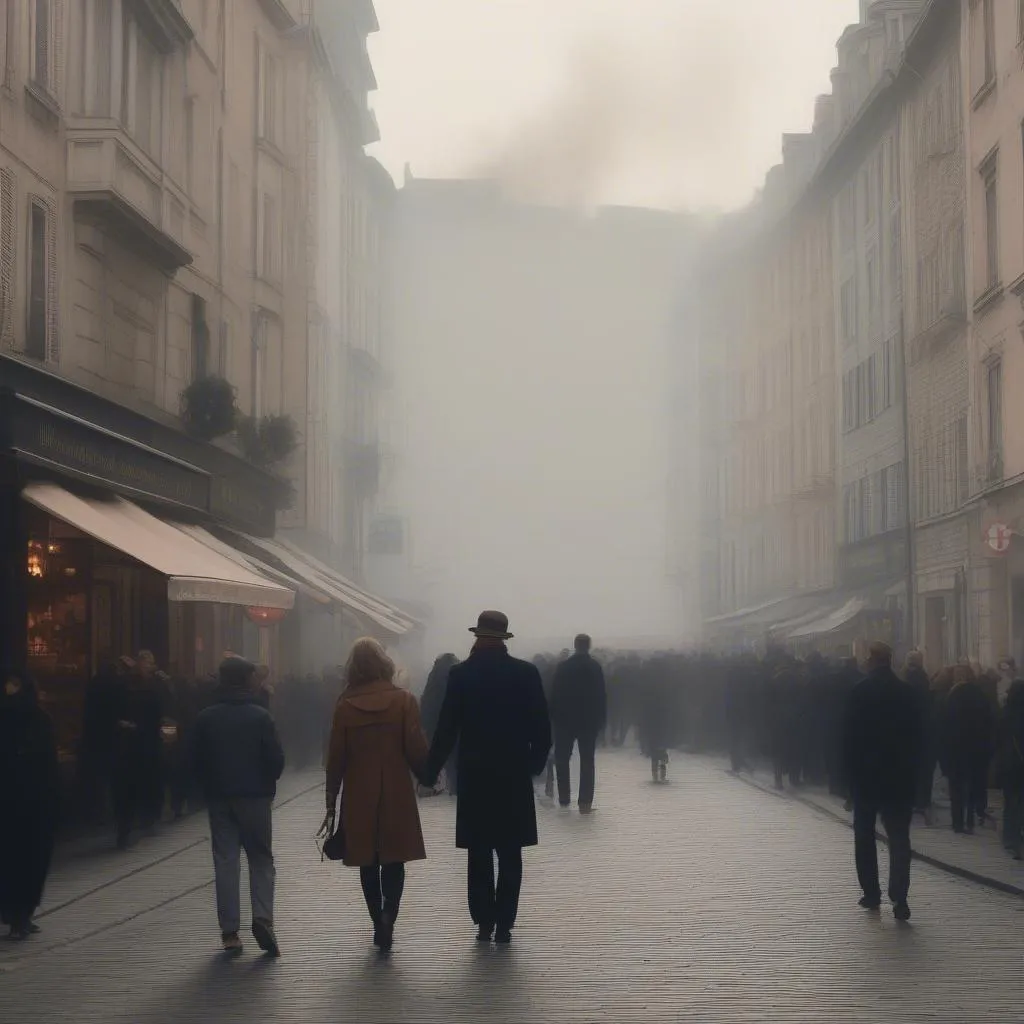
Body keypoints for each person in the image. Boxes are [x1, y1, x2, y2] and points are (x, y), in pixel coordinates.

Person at [424, 611, 551, 944]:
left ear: (477, 637)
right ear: (505, 638)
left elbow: (446, 729)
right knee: (510, 851)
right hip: (512, 773)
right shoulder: (526, 673)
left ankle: (483, 920)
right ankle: (506, 921)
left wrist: (429, 769)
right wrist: (533, 765)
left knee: (479, 851)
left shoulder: (461, 675)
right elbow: (541, 726)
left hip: (475, 773)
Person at [323, 639, 429, 952]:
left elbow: (336, 757)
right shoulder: (404, 701)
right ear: (384, 664)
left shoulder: (345, 706)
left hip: (359, 792)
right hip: (396, 790)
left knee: (367, 860)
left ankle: (375, 921)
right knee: (394, 859)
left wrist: (331, 798)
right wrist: (428, 774)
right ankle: (389, 916)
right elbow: (415, 747)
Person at [193, 656, 285, 956]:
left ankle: (230, 931)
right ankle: (262, 917)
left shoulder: (206, 717)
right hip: (255, 796)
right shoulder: (260, 716)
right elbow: (275, 759)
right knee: (260, 857)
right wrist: (268, 781)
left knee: (225, 860)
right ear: (246, 681)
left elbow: (194, 758)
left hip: (219, 795)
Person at [842, 641, 920, 922]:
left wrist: (847, 781)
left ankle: (871, 892)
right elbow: (919, 739)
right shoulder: (907, 693)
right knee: (899, 838)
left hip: (866, 777)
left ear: (870, 660)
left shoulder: (859, 692)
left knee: (864, 836)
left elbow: (848, 740)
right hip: (899, 777)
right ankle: (900, 896)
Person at [0, 669, 60, 939]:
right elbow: (49, 764)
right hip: (31, 802)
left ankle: (17, 914)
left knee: (16, 858)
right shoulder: (39, 718)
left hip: (17, 801)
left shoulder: (34, 719)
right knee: (29, 858)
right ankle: (20, 915)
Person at [111, 653, 165, 848]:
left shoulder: (155, 686)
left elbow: (161, 714)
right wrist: (121, 723)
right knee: (126, 788)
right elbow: (112, 711)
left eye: (150, 662)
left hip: (146, 744)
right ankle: (124, 828)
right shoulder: (123, 686)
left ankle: (146, 820)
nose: (148, 666)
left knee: (145, 784)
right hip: (127, 746)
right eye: (145, 662)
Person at [550, 634, 606, 812]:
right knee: (587, 760)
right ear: (588, 646)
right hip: (588, 721)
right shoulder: (594, 667)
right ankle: (585, 801)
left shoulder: (563, 667)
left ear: (575, 646)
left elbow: (555, 694)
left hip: (564, 720)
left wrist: (554, 717)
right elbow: (600, 695)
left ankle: (564, 797)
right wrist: (601, 720)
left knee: (562, 759)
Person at [939, 664, 994, 834]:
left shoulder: (951, 695)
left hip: (956, 748)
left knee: (956, 786)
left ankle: (958, 822)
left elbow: (944, 724)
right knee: (971, 784)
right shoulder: (979, 694)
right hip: (975, 747)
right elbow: (988, 721)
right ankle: (969, 819)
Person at [419, 653, 459, 795]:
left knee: (437, 753)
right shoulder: (457, 675)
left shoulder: (434, 677)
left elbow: (426, 702)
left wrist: (424, 724)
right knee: (453, 758)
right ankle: (454, 787)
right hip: (454, 724)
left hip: (434, 724)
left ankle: (434, 781)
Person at [997, 679, 1024, 860]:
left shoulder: (1005, 712)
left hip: (1007, 763)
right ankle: (1016, 836)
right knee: (1019, 801)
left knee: (1009, 801)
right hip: (1019, 762)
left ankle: (1009, 836)